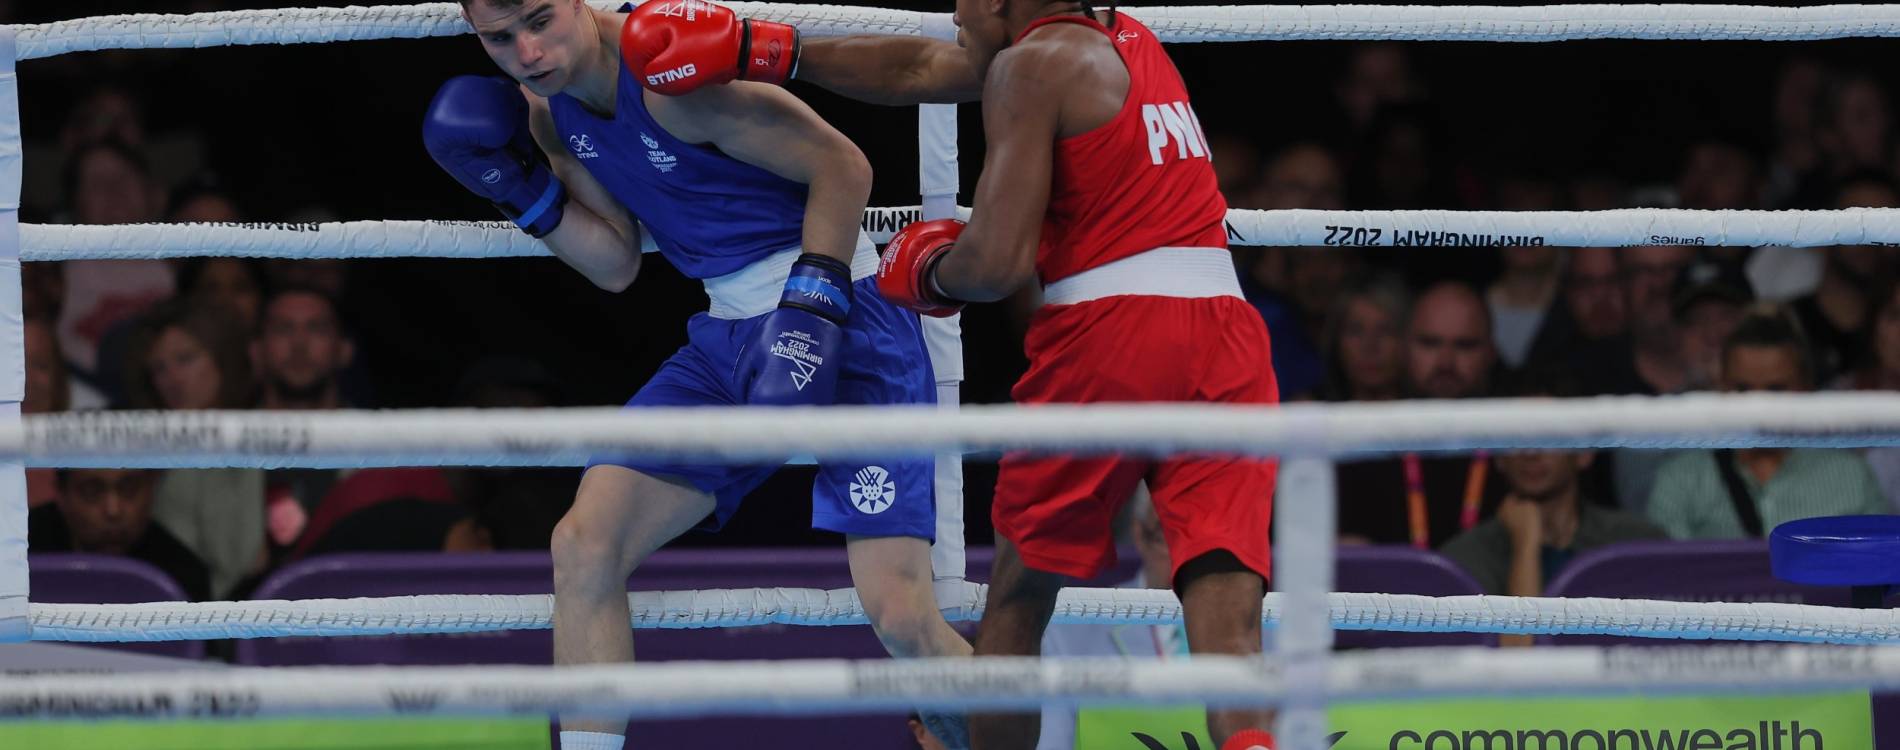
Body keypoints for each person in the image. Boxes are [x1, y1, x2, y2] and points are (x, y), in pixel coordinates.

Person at [629, 3, 1280, 748]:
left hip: (1113, 335)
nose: (955, 17)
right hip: (1228, 337)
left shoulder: (1029, 65)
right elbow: (920, 67)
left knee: (1019, 600)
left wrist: (929, 271)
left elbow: (996, 264)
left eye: (962, 2)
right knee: (1228, 616)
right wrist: (768, 48)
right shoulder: (1126, 39)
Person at [426, 2, 970, 748]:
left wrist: (810, 308)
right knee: (585, 544)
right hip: (726, 336)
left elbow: (843, 166)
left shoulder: (665, 75)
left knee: (903, 617)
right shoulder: (549, 111)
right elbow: (615, 261)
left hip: (845, 311)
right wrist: (517, 190)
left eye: (540, 19)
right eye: (499, 37)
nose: (527, 51)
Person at [1646, 307, 1888, 539]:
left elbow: (1884, 562)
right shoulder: (1679, 481)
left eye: (1776, 390)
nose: (1758, 407)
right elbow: (1660, 568)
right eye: (1742, 389)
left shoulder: (1852, 478)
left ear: (1805, 388)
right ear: (1722, 388)